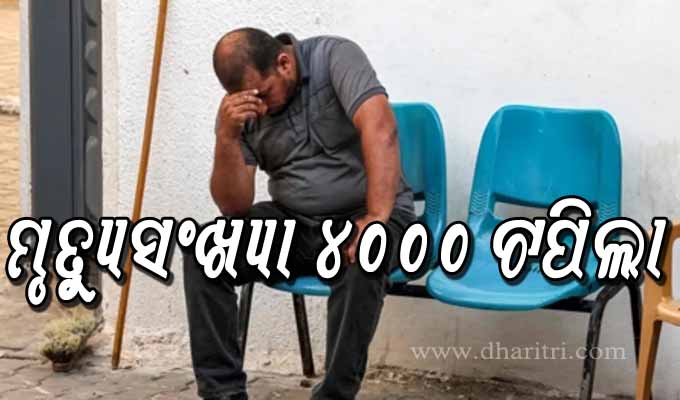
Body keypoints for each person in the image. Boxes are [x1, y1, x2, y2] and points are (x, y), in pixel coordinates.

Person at [182, 27, 415, 400]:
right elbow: (234, 207)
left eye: (264, 94)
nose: (260, 108)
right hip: (295, 223)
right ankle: (223, 394)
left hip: (369, 214)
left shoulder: (335, 57)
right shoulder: (242, 110)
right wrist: (226, 137)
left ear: (284, 63)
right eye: (246, 99)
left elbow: (381, 128)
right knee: (204, 249)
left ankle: (334, 395)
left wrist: (376, 217)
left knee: (367, 252)